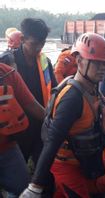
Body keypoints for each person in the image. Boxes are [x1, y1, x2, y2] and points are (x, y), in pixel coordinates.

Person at [20, 33, 105, 197]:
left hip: (82, 162)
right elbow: (52, 140)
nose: (104, 69)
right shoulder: (72, 97)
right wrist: (35, 186)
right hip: (66, 166)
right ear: (79, 61)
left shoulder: (92, 88)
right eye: (98, 64)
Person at [0, 18, 57, 165]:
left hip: (40, 123)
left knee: (43, 167)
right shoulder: (8, 62)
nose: (38, 48)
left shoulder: (45, 62)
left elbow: (54, 90)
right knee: (18, 169)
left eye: (42, 43)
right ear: (23, 39)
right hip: (17, 126)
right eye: (34, 44)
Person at [0, 63, 45, 197]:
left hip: (7, 149)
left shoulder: (7, 73)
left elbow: (32, 105)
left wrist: (57, 125)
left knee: (23, 189)